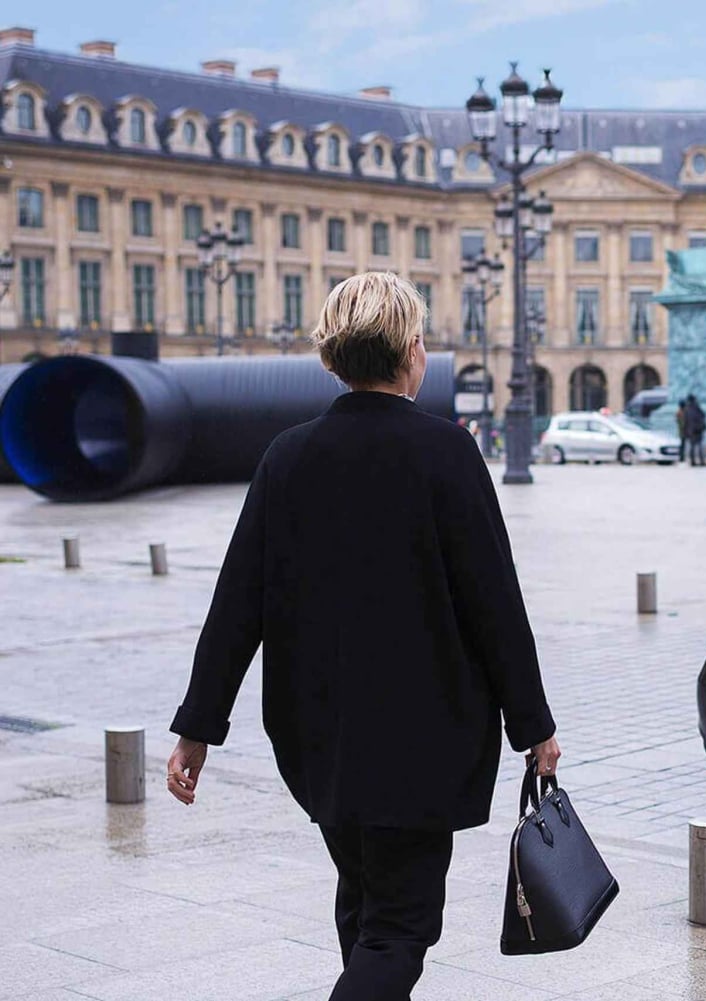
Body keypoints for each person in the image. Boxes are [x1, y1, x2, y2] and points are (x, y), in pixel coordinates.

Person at [165, 272, 561, 1000]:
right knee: (400, 927)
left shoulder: (286, 455)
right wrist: (532, 724)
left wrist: (198, 728)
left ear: (328, 359)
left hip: (319, 739)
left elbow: (236, 606)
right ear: (413, 352)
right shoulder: (447, 452)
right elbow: (495, 604)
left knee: (363, 900)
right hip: (422, 737)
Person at [686, 394, 706, 467]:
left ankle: (692, 461)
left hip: (691, 430)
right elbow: (704, 415)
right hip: (698, 430)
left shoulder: (688, 409)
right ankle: (701, 461)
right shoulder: (697, 407)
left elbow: (686, 421)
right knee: (699, 447)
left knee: (692, 447)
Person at [675, 399, 689, 464]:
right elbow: (682, 422)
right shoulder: (682, 412)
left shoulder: (679, 412)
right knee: (683, 445)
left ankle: (682, 457)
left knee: (682, 445)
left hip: (682, 431)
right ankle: (682, 458)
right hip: (684, 431)